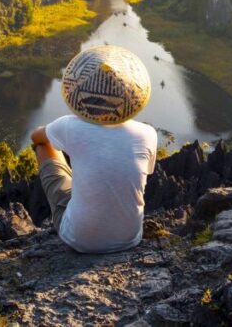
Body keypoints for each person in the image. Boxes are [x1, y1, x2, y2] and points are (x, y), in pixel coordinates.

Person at [30, 45, 158, 253]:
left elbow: (35, 136)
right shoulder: (148, 133)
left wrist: (57, 135)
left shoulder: (70, 125)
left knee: (44, 145)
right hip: (130, 239)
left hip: (79, 240)